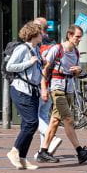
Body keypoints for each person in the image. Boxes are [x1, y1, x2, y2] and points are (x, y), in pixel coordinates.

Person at [41, 25, 87, 165]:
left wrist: (79, 70)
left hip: (70, 89)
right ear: (69, 35)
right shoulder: (57, 49)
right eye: (77, 36)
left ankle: (43, 152)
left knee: (54, 120)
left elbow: (78, 73)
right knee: (68, 119)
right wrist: (44, 88)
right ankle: (80, 152)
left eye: (80, 37)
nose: (79, 39)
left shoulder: (76, 52)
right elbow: (45, 68)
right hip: (57, 88)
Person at [5, 21, 46, 170]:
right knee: (31, 122)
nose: (43, 35)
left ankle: (22, 158)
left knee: (27, 124)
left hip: (32, 91)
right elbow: (10, 66)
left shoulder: (36, 49)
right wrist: (29, 63)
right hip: (21, 90)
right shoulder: (23, 49)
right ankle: (14, 151)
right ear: (34, 34)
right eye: (41, 32)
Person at [32, 17, 63, 163]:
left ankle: (52, 137)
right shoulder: (52, 43)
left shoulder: (37, 43)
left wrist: (43, 87)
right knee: (43, 116)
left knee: (33, 115)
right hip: (51, 84)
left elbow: (41, 67)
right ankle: (43, 150)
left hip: (39, 85)